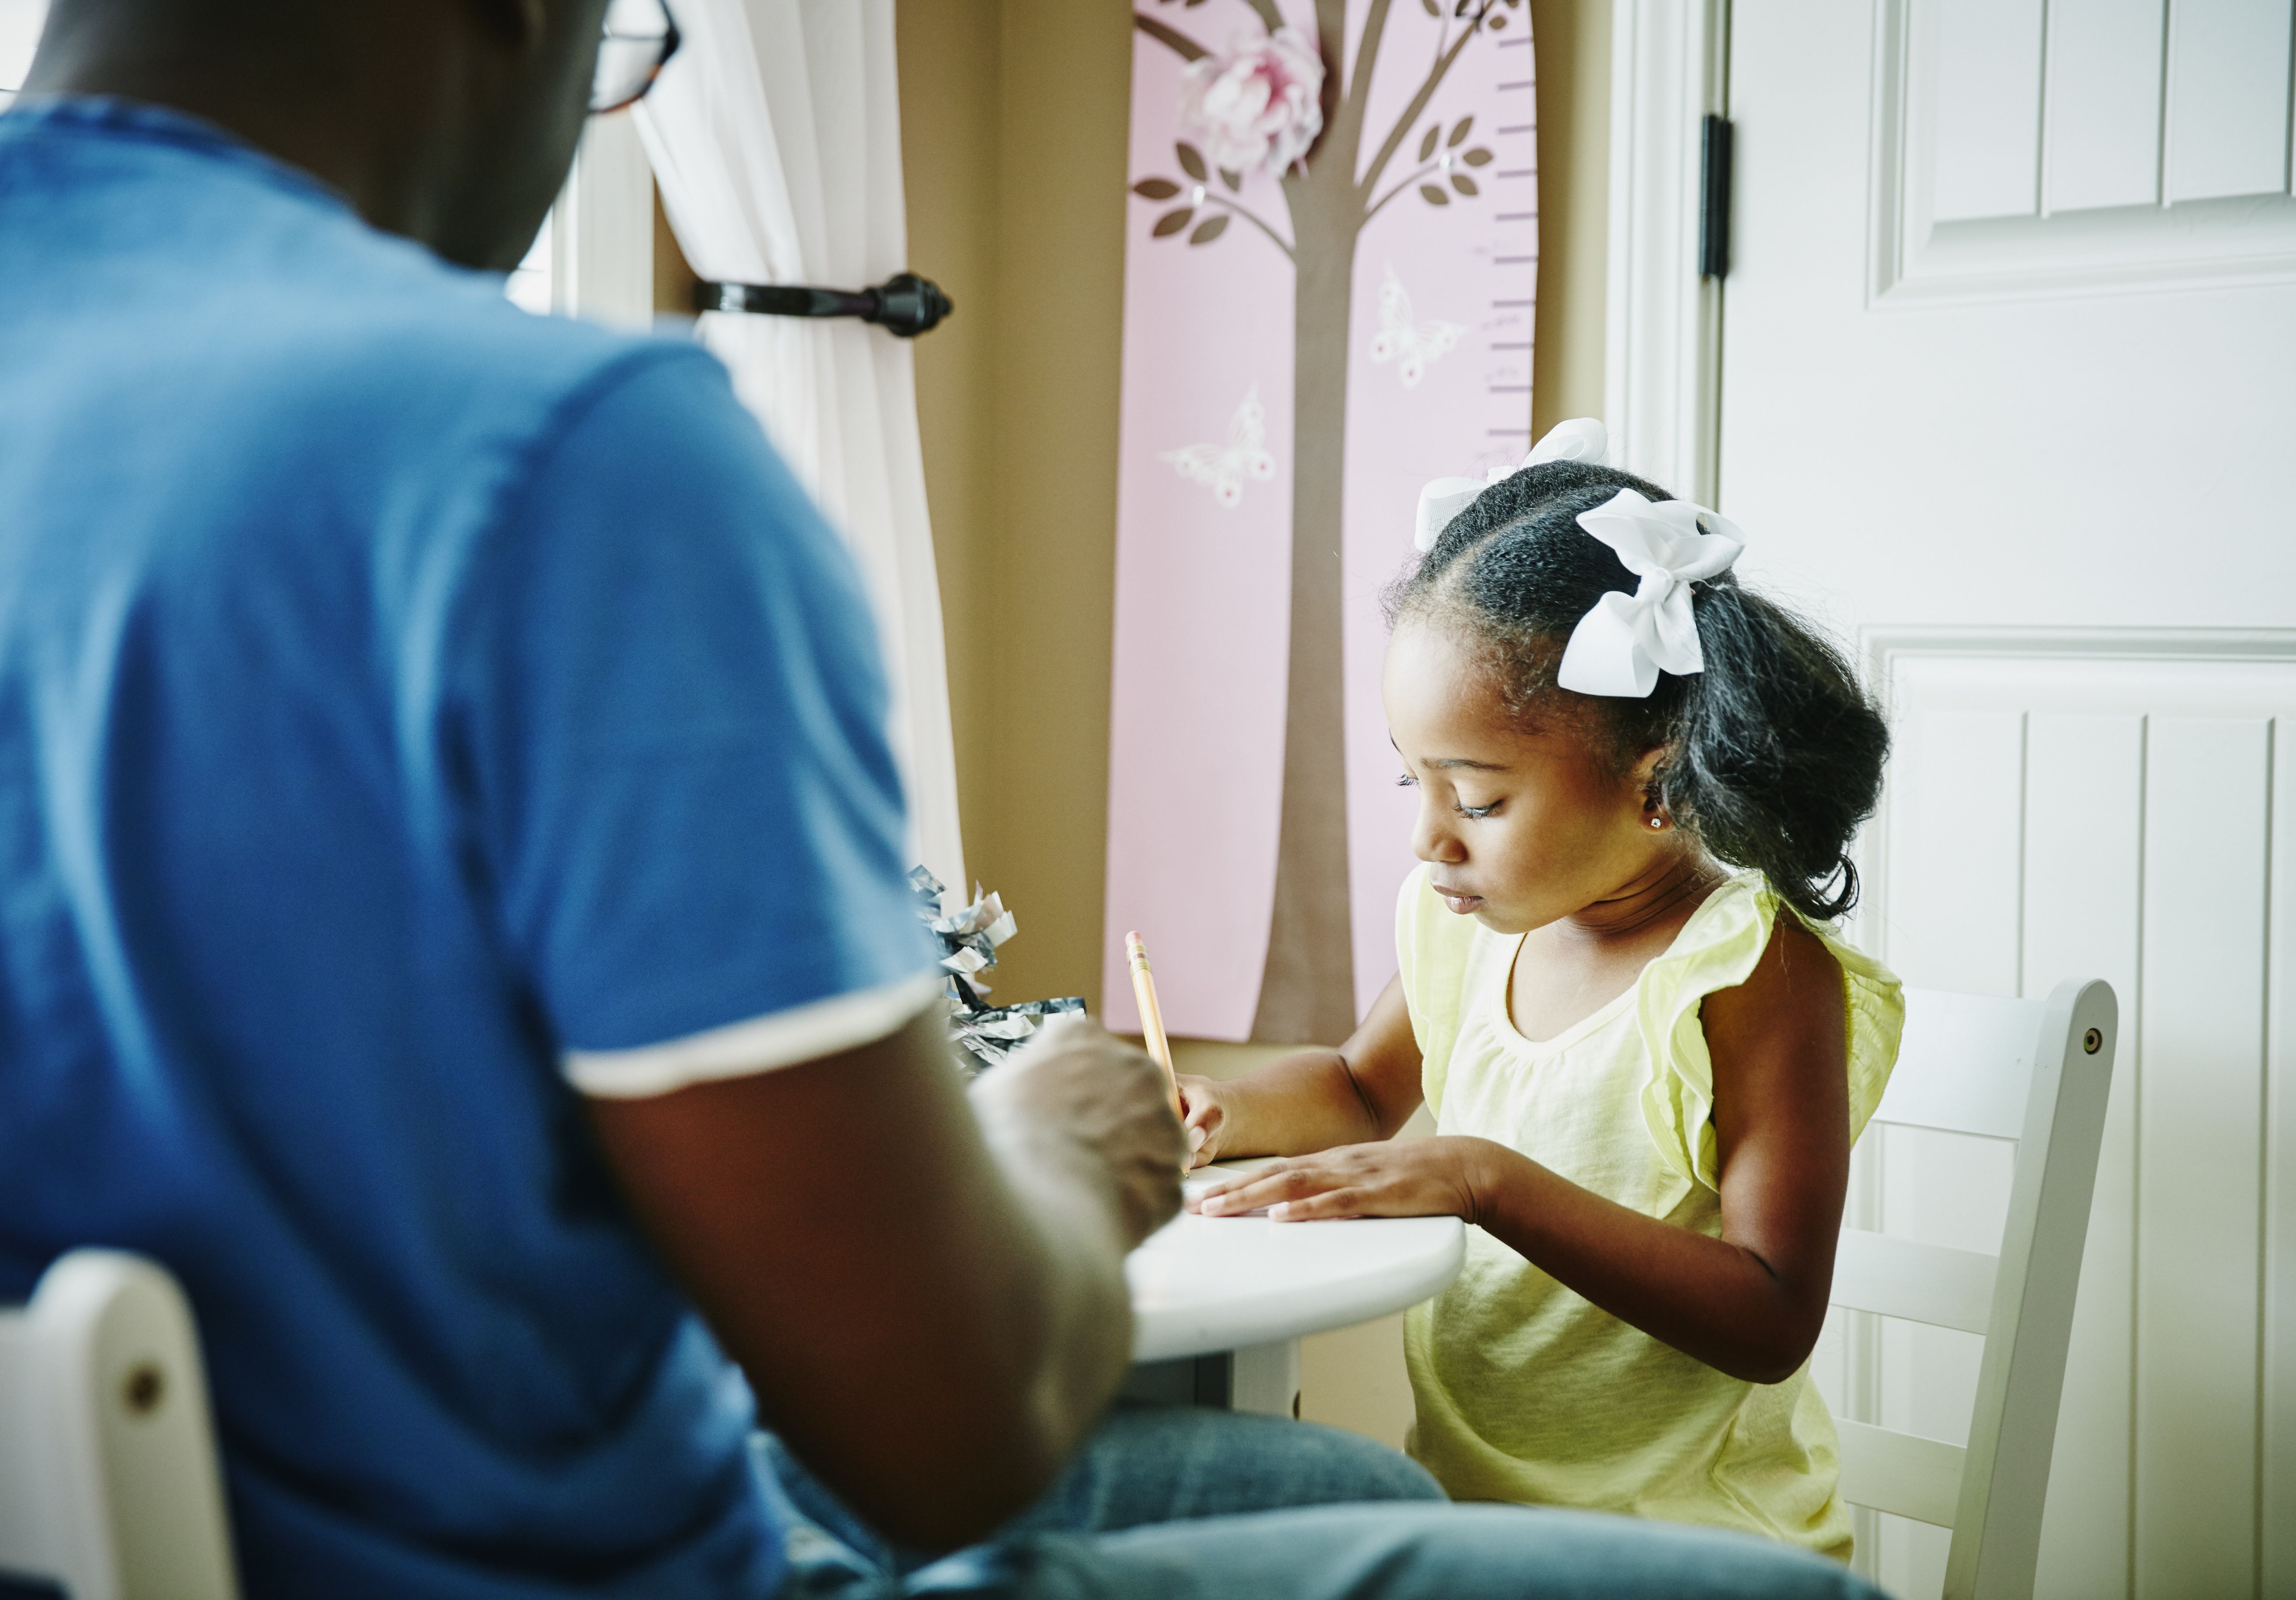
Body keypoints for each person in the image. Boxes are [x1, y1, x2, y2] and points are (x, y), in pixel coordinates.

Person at [0, 0, 1886, 1593]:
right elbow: (941, 1434)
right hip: (547, 1544)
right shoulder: (562, 463)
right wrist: (1061, 1136)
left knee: (1359, 1494)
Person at [1180, 449, 1904, 1562]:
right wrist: (1219, 1108)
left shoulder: (1747, 978)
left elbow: (1769, 1314)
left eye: (1475, 797)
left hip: (1698, 1556)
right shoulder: (1462, 928)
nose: (1429, 839)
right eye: (1409, 780)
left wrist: (1485, 1180)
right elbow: (1354, 1087)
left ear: (1657, 785)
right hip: (1482, 1532)